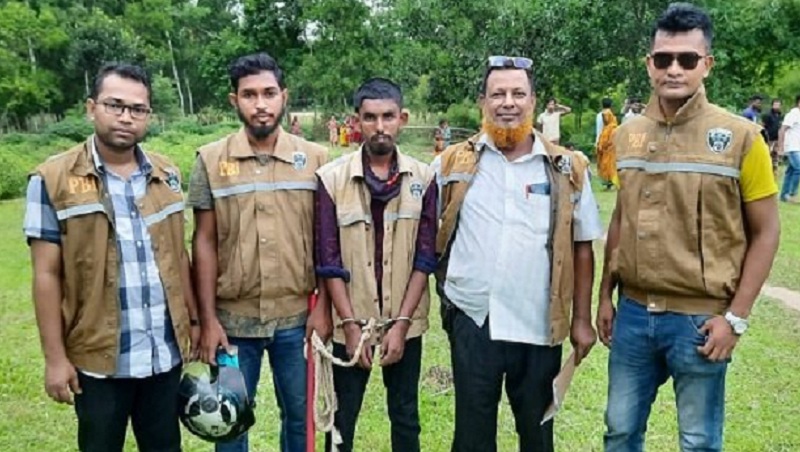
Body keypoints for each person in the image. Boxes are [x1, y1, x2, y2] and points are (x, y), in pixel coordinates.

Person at [598, 4, 780, 451]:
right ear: (649, 65)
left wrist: (735, 319)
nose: (673, 69)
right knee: (619, 431)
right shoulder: (628, 134)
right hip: (635, 314)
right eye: (663, 59)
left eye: (687, 60)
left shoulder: (741, 137)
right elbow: (622, 216)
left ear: (707, 66)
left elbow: (767, 231)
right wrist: (605, 294)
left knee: (698, 441)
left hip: (700, 322)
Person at [23, 62, 200, 452]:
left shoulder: (166, 173)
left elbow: (177, 255)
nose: (126, 117)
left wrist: (195, 321)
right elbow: (46, 275)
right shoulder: (52, 180)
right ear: (91, 108)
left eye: (137, 109)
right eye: (114, 105)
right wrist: (55, 359)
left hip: (162, 355)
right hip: (99, 361)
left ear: (148, 116)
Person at [433, 55, 603, 452]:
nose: (507, 102)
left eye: (517, 93)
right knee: (472, 437)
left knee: (537, 434)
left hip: (538, 322)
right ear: (482, 101)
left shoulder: (567, 167)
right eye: (498, 94)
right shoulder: (452, 163)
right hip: (474, 319)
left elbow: (582, 247)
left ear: (533, 100)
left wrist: (581, 318)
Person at [188, 52, 332, 452]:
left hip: (296, 322)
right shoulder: (210, 161)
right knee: (229, 420)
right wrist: (208, 318)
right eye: (249, 94)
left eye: (269, 93)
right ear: (234, 100)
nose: (261, 104)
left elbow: (326, 239)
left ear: (284, 96)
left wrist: (322, 309)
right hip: (233, 325)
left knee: (301, 419)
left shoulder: (316, 159)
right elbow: (203, 241)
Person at [315, 77, 437, 452]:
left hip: (405, 322)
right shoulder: (331, 180)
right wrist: (350, 326)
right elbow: (328, 260)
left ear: (402, 118)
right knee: (340, 422)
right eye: (370, 117)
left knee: (405, 416)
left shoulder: (425, 177)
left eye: (388, 117)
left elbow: (425, 257)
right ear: (357, 121)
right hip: (348, 323)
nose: (380, 127)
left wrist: (401, 325)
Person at [778, 95, 800, 203]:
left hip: (798, 147)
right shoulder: (793, 114)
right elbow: (782, 130)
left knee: (790, 172)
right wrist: (781, 147)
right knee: (799, 168)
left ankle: (783, 195)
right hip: (792, 147)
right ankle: (792, 193)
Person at [596, 107, 619, 189]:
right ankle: (607, 184)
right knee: (605, 167)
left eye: (605, 117)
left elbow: (612, 140)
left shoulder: (613, 127)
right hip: (605, 151)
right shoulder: (606, 127)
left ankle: (612, 183)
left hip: (610, 151)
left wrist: (604, 145)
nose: (604, 119)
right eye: (603, 118)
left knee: (610, 167)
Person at [762, 98, 783, 178]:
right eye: (775, 104)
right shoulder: (767, 115)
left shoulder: (780, 116)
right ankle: (765, 173)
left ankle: (774, 173)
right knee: (767, 155)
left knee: (775, 157)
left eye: (778, 105)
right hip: (768, 139)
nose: (776, 106)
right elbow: (762, 126)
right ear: (772, 105)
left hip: (777, 139)